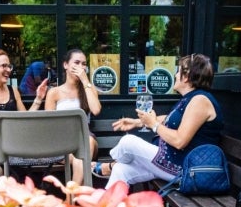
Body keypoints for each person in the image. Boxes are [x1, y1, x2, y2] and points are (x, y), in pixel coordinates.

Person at [92, 53, 223, 189]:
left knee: (128, 142)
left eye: (178, 71)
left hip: (186, 170)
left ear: (187, 76)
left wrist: (153, 125)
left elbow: (180, 141)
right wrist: (139, 122)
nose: (176, 75)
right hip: (170, 162)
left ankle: (109, 166)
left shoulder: (200, 101)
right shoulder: (191, 98)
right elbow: (169, 119)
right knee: (121, 170)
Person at [0, 49, 48, 203]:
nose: (8, 70)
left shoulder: (13, 91)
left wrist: (39, 99)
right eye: (4, 66)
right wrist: (11, 127)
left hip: (15, 144)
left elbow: (24, 119)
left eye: (9, 66)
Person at [44, 49, 101, 184]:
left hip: (85, 138)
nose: (80, 67)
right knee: (79, 160)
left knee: (88, 142)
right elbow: (48, 124)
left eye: (83, 64)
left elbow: (96, 110)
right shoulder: (54, 92)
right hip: (61, 143)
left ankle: (70, 198)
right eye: (76, 63)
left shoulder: (89, 89)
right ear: (66, 65)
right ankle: (75, 199)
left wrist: (85, 80)